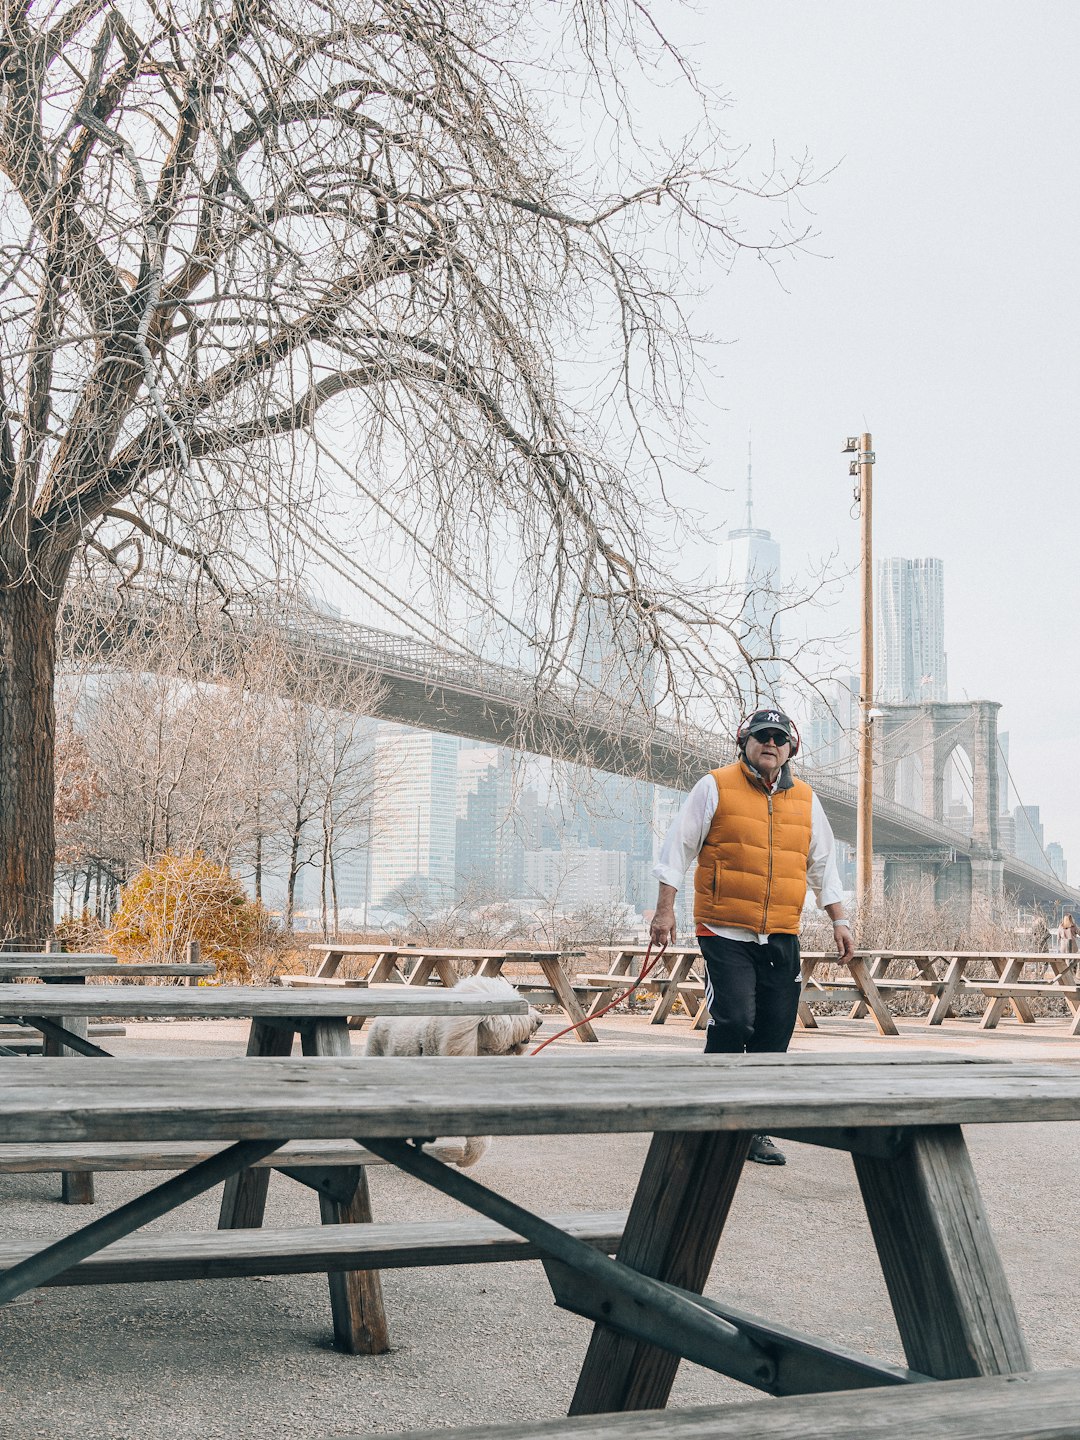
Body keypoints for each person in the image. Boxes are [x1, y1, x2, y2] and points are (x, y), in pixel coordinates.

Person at [649, 707, 854, 1167]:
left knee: (775, 1030)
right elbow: (677, 848)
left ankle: (752, 1128)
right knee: (735, 1020)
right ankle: (709, 1117)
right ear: (744, 742)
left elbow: (823, 866)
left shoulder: (806, 799)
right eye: (760, 736)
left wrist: (840, 920)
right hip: (723, 929)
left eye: (779, 738)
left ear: (791, 749)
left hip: (781, 932)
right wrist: (664, 911)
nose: (770, 743)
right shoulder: (714, 785)